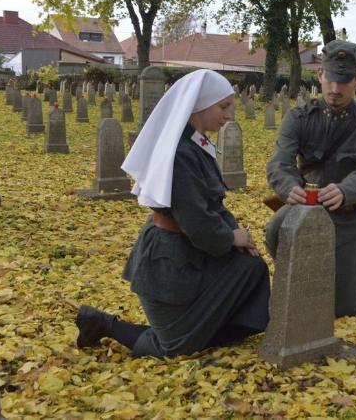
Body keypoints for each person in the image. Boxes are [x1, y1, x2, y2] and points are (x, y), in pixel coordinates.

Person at [75, 70, 270, 357]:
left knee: (251, 269)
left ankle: (202, 329)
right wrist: (230, 238)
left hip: (193, 252)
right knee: (174, 347)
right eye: (223, 106)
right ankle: (103, 323)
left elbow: (214, 204)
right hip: (169, 262)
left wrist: (240, 235)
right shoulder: (179, 153)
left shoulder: (196, 144)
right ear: (198, 106)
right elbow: (196, 220)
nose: (229, 115)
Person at [265, 40, 356, 318]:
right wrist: (288, 188)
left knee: (344, 308)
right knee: (274, 231)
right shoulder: (298, 117)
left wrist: (345, 191)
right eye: (331, 79)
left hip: (345, 214)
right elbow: (279, 162)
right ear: (320, 74)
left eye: (344, 81)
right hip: (304, 208)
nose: (335, 89)